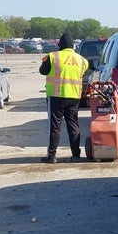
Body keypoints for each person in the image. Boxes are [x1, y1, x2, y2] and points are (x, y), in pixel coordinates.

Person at [39, 33, 89, 163]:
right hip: (74, 97)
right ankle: (76, 155)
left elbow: (43, 71)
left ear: (60, 45)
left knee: (55, 127)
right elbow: (82, 74)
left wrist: (45, 62)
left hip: (56, 96)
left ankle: (51, 156)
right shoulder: (83, 60)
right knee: (73, 126)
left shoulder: (52, 57)